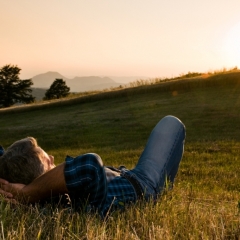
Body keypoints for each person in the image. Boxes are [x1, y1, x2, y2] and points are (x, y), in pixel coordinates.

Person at [0, 115, 186, 217]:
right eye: (47, 160)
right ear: (39, 181)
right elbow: (89, 164)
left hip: (125, 173)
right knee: (171, 123)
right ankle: (163, 188)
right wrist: (27, 194)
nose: (53, 156)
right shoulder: (67, 203)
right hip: (144, 184)